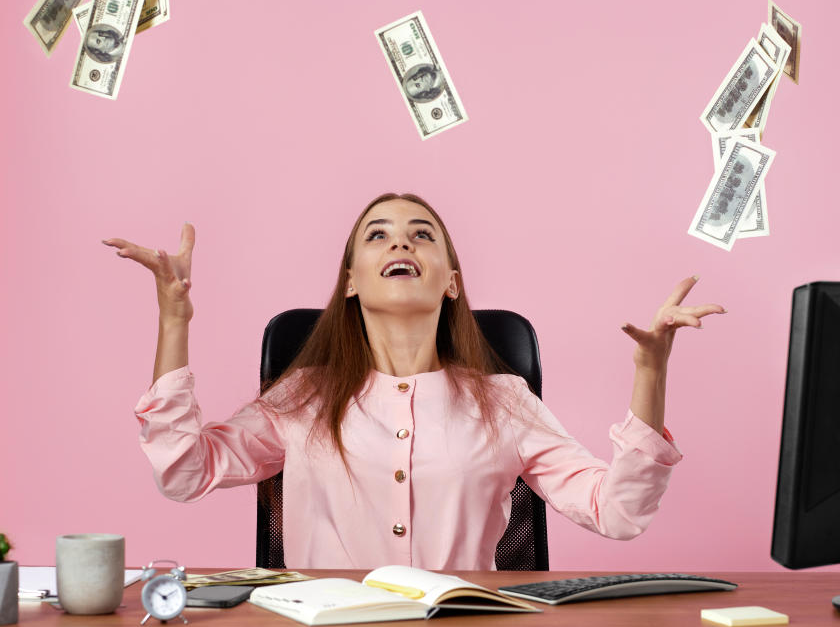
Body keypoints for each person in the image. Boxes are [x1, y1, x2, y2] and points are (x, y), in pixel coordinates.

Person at [102, 193, 724, 569]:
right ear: (351, 281)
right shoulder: (303, 398)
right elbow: (183, 472)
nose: (401, 242)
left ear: (450, 279)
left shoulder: (506, 403)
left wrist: (651, 371)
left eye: (421, 235)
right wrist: (173, 322)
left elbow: (615, 511)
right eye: (378, 235)